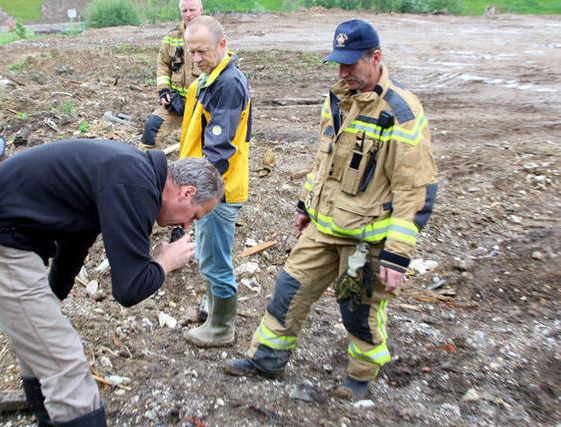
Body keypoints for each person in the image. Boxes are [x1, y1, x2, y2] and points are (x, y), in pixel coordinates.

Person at [224, 19, 438, 400]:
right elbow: (326, 160)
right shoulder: (337, 99)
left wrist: (396, 255)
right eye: (338, 64)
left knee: (358, 311)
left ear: (375, 58)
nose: (343, 73)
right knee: (288, 291)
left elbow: (415, 188)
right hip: (323, 228)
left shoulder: (401, 111)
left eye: (351, 65)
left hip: (365, 240)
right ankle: (266, 360)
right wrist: (307, 203)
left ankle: (359, 377)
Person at [0, 139, 224, 427]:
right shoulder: (135, 184)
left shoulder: (132, 171)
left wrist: (53, 295)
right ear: (186, 192)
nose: (188, 226)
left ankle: (51, 426)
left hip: (5, 236)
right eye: (195, 215)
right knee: (66, 363)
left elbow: (77, 236)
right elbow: (129, 288)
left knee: (41, 333)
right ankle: (62, 425)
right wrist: (164, 262)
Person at [178, 15, 252, 348]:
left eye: (202, 51)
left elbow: (219, 151)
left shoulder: (228, 84)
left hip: (217, 190)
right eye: (191, 52)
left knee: (214, 258)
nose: (196, 59)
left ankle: (222, 327)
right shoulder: (212, 78)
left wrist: (196, 193)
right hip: (209, 184)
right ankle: (212, 309)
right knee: (209, 253)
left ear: (223, 45)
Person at [140, 0, 203, 150]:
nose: (188, 14)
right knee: (152, 130)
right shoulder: (172, 36)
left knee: (207, 142)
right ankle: (147, 169)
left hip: (203, 102)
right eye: (184, 10)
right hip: (177, 102)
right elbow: (163, 64)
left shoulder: (211, 35)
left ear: (201, 9)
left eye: (192, 10)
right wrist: (163, 90)